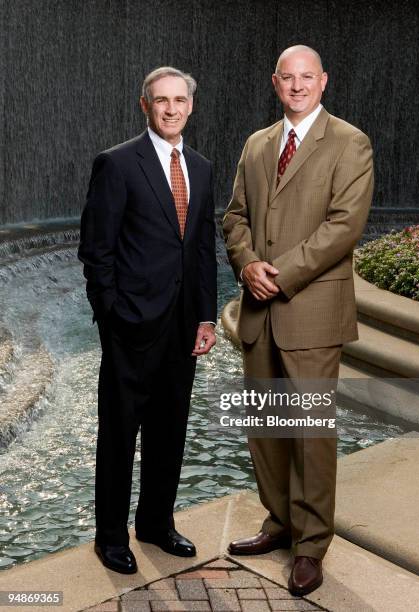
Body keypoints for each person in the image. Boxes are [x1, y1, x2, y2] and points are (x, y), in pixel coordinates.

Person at [223, 45, 374, 595]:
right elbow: (234, 216)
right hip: (258, 314)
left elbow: (343, 227)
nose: (297, 85)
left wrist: (278, 274)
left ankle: (310, 545)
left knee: (310, 434)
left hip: (309, 311)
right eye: (288, 77)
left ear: (323, 81)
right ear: (275, 82)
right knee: (266, 429)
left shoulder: (350, 143)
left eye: (306, 77)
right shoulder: (257, 143)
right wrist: (246, 265)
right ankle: (279, 522)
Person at [78, 67, 217, 574]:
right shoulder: (116, 163)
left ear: (191, 106)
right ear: (145, 105)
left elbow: (202, 248)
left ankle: (156, 524)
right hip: (130, 326)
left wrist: (206, 316)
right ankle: (110, 537)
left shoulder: (200, 167)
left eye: (180, 100)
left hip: (183, 328)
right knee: (119, 435)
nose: (172, 108)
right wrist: (112, 316)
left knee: (169, 430)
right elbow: (96, 251)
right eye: (162, 100)